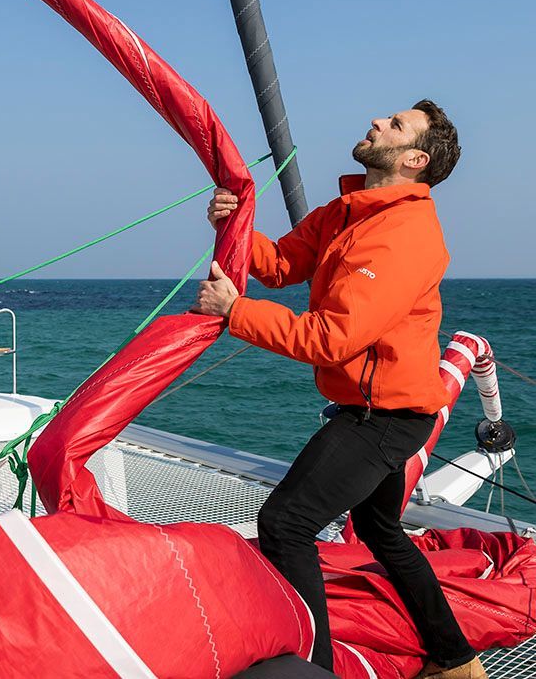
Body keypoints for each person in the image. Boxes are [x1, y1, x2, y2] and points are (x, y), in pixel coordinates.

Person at [191, 100, 484, 679]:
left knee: (285, 523)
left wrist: (235, 312)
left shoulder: (404, 235)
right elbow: (280, 265)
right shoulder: (348, 211)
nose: (377, 122)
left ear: (414, 158)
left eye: (394, 125)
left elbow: (331, 340)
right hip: (375, 407)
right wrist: (233, 225)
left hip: (388, 418)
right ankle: (454, 660)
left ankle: (316, 671)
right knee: (379, 529)